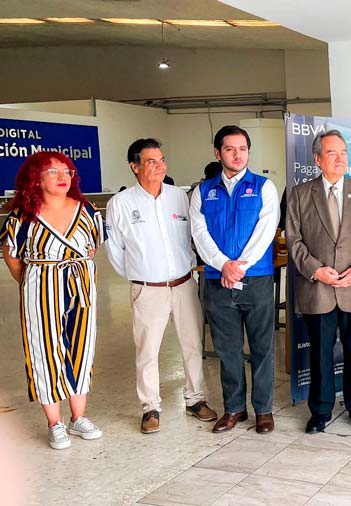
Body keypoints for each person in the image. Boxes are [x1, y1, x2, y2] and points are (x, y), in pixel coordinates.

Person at [106, 138, 217, 434]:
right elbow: (114, 249)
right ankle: (150, 407)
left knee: (192, 344)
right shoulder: (121, 203)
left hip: (184, 284)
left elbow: (193, 236)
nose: (160, 166)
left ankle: (195, 399)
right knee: (147, 350)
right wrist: (140, 275)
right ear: (135, 166)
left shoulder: (179, 197)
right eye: (151, 161)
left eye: (162, 160)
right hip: (148, 289)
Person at [0, 151, 105, 449]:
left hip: (81, 284)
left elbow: (93, 245)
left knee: (82, 345)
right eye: (52, 171)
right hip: (40, 284)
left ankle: (78, 417)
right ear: (35, 178)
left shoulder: (86, 209)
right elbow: (11, 255)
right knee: (44, 349)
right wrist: (33, 283)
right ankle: (54, 422)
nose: (62, 176)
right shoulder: (23, 215)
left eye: (67, 171)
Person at [286, 129, 351, 434]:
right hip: (318, 288)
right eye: (332, 153)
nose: (340, 159)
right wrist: (315, 270)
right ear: (317, 159)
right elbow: (294, 240)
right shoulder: (300, 194)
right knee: (320, 353)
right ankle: (320, 410)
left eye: (343, 153)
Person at [190, 125, 279, 434]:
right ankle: (234, 409)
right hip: (217, 282)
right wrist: (222, 265)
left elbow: (266, 230)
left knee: (262, 348)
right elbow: (199, 233)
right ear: (218, 153)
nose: (237, 155)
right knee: (228, 350)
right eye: (230, 149)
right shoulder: (203, 192)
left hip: (256, 279)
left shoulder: (264, 187)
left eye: (243, 149)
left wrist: (238, 267)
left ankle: (263, 410)